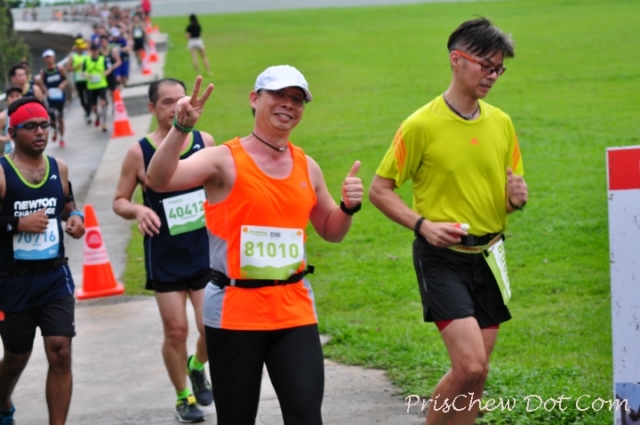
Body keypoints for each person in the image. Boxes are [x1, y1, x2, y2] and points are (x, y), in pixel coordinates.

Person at [145, 67, 363, 425]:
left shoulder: (307, 166)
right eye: (278, 95)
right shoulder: (223, 159)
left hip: (293, 310)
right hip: (234, 312)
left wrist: (348, 207)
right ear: (254, 99)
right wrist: (181, 128)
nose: (288, 104)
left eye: (297, 99)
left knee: (307, 417)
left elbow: (331, 230)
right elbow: (157, 180)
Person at [368, 17, 528, 425]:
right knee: (470, 366)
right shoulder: (421, 125)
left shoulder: (502, 123)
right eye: (486, 65)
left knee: (478, 374)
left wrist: (514, 201)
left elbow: (505, 197)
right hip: (442, 258)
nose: (492, 76)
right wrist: (422, 225)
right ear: (457, 60)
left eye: (499, 69)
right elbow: (380, 190)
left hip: (490, 256)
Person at [113, 78, 215, 423]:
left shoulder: (204, 142)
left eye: (180, 100)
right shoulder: (138, 152)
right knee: (175, 331)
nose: (175, 107)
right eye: (167, 102)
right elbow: (119, 200)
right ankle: (184, 396)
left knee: (211, 327)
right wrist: (138, 210)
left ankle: (196, 365)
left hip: (203, 252)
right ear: (152, 108)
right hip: (165, 255)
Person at [0, 96, 85, 425]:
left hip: (54, 277)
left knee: (61, 350)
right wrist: (17, 223)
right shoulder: (3, 173)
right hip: (13, 281)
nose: (40, 132)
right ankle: (3, 401)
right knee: (16, 357)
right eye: (30, 126)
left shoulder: (58, 168)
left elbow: (67, 203)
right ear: (12, 132)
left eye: (44, 125)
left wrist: (75, 217)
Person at [85, 42, 118, 133]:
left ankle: (104, 123)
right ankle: (98, 115)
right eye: (93, 50)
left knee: (103, 103)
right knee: (94, 107)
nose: (95, 52)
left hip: (102, 84)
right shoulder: (87, 60)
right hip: (91, 86)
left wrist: (106, 73)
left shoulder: (102, 59)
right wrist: (87, 75)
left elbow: (110, 68)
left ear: (98, 51)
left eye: (96, 50)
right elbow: (83, 72)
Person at [39, 49, 69, 147]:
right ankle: (55, 130)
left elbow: (65, 80)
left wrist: (62, 85)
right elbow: (41, 83)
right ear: (44, 60)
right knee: (52, 118)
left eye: (50, 57)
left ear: (54, 57)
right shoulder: (43, 72)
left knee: (60, 118)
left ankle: (62, 138)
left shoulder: (60, 68)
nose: (49, 59)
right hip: (50, 98)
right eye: (46, 58)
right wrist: (45, 91)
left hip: (60, 97)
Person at [67, 39, 92, 124]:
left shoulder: (87, 54)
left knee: (89, 97)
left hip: (87, 79)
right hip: (78, 80)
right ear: (77, 48)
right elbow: (68, 68)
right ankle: (87, 111)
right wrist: (76, 67)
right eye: (81, 47)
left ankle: (89, 112)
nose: (82, 49)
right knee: (82, 99)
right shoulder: (72, 56)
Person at [0, 87, 23, 155]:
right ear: (7, 99)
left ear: (22, 97)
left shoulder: (29, 112)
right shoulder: (3, 116)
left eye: (17, 96)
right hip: (11, 153)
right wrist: (6, 138)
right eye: (11, 96)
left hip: (29, 151)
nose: (15, 99)